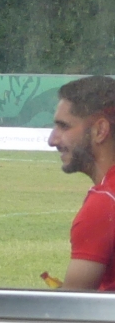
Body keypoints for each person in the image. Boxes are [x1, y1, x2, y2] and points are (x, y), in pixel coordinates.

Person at [50, 75, 115, 291]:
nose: (52, 140)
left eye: (64, 126)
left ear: (100, 130)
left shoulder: (105, 203)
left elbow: (72, 306)